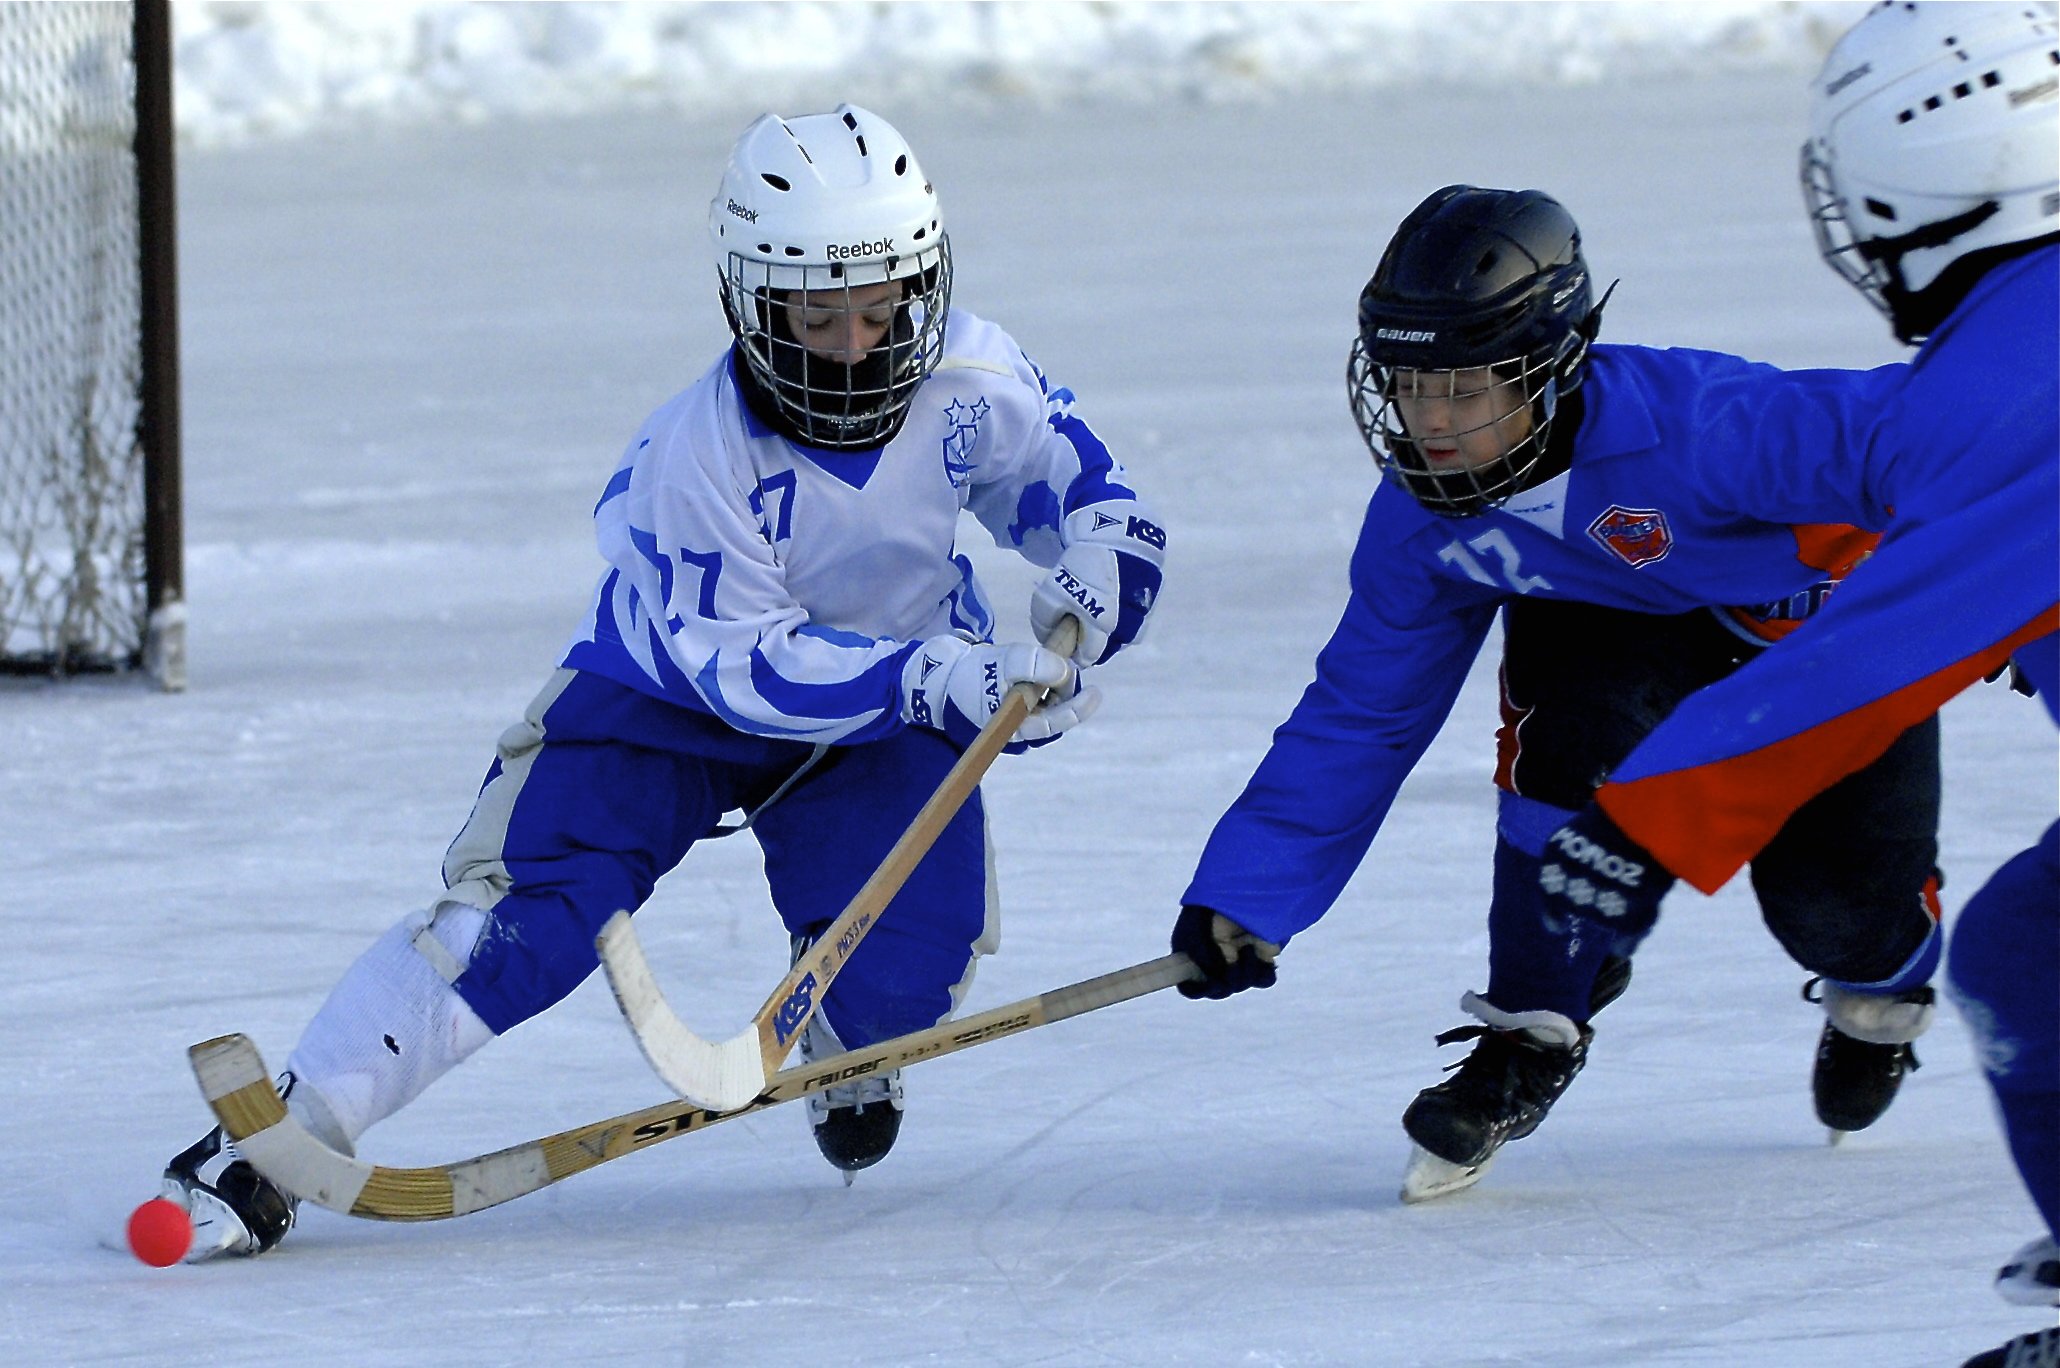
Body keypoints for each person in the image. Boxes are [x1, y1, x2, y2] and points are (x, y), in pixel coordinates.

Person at [157, 104, 1168, 1260]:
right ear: (750, 296)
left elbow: (1097, 500)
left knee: (901, 991)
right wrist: (947, 678)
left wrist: (1095, 587)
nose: (852, 343)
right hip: (664, 707)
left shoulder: (975, 377)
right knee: (521, 920)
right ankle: (285, 1130)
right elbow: (750, 673)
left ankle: (839, 1029)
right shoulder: (694, 458)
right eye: (814, 312)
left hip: (885, 717)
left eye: (878, 305)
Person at [1168, 181, 1951, 1202]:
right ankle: (1530, 1022)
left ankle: (1877, 996)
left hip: (1816, 652)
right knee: (1562, 720)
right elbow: (1363, 714)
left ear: (1552, 364)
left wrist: (2009, 582)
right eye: (1407, 384)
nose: (1429, 421)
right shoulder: (1421, 521)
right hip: (1615, 640)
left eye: (1466, 389)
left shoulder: (1710, 427)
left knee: (1829, 911)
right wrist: (1246, 892)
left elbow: (1950, 435)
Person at [1524, 6, 2058, 1365]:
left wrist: (1649, 819)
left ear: (1921, 191)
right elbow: (1877, 446)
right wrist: (1624, 424)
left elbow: (1867, 662)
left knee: (2030, 960)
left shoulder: (2013, 383)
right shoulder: (2005, 356)